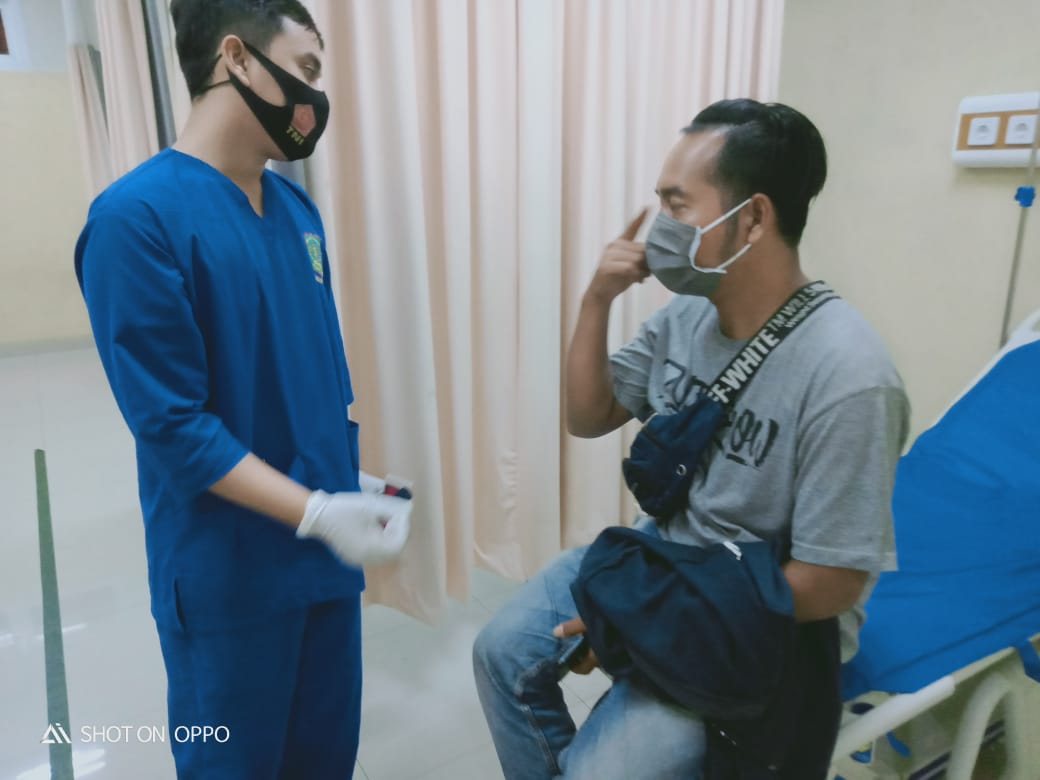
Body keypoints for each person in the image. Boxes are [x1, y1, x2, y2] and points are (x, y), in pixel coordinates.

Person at [472, 98, 910, 779]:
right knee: (500, 653)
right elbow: (588, 415)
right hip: (664, 561)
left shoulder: (849, 376)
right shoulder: (686, 319)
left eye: (677, 206)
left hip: (755, 619)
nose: (660, 227)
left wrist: (644, 623)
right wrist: (596, 299)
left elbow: (833, 582)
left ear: (753, 219)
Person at [74, 2, 411, 777]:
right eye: (306, 69)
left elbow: (308, 378)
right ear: (236, 57)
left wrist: (347, 484)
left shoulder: (296, 211)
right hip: (229, 580)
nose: (315, 96)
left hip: (321, 573)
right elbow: (172, 425)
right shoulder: (135, 220)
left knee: (326, 760)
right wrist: (317, 510)